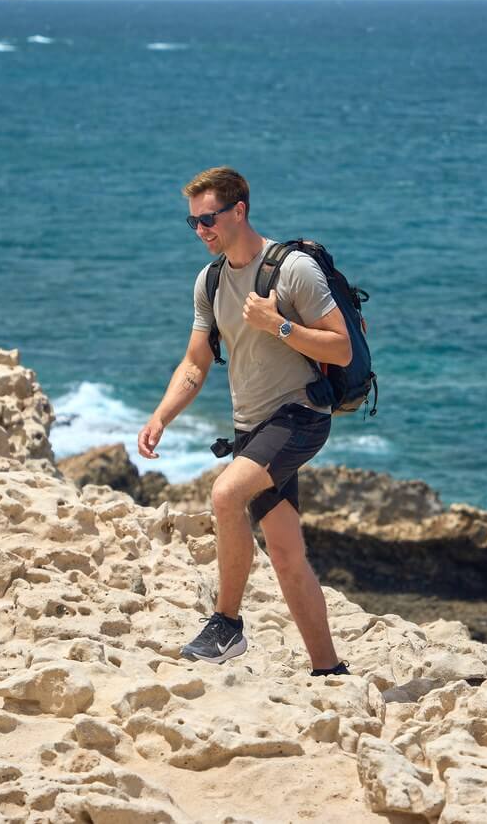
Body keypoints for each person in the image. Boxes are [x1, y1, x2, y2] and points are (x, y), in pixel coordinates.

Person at [138, 166, 351, 676]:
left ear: (239, 210)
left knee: (225, 495)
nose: (201, 230)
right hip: (252, 427)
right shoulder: (210, 281)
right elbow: (195, 362)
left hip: (300, 415)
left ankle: (226, 625)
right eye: (193, 223)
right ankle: (328, 669)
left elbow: (341, 348)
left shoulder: (292, 270)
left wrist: (278, 325)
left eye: (208, 218)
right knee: (284, 552)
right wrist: (161, 416)